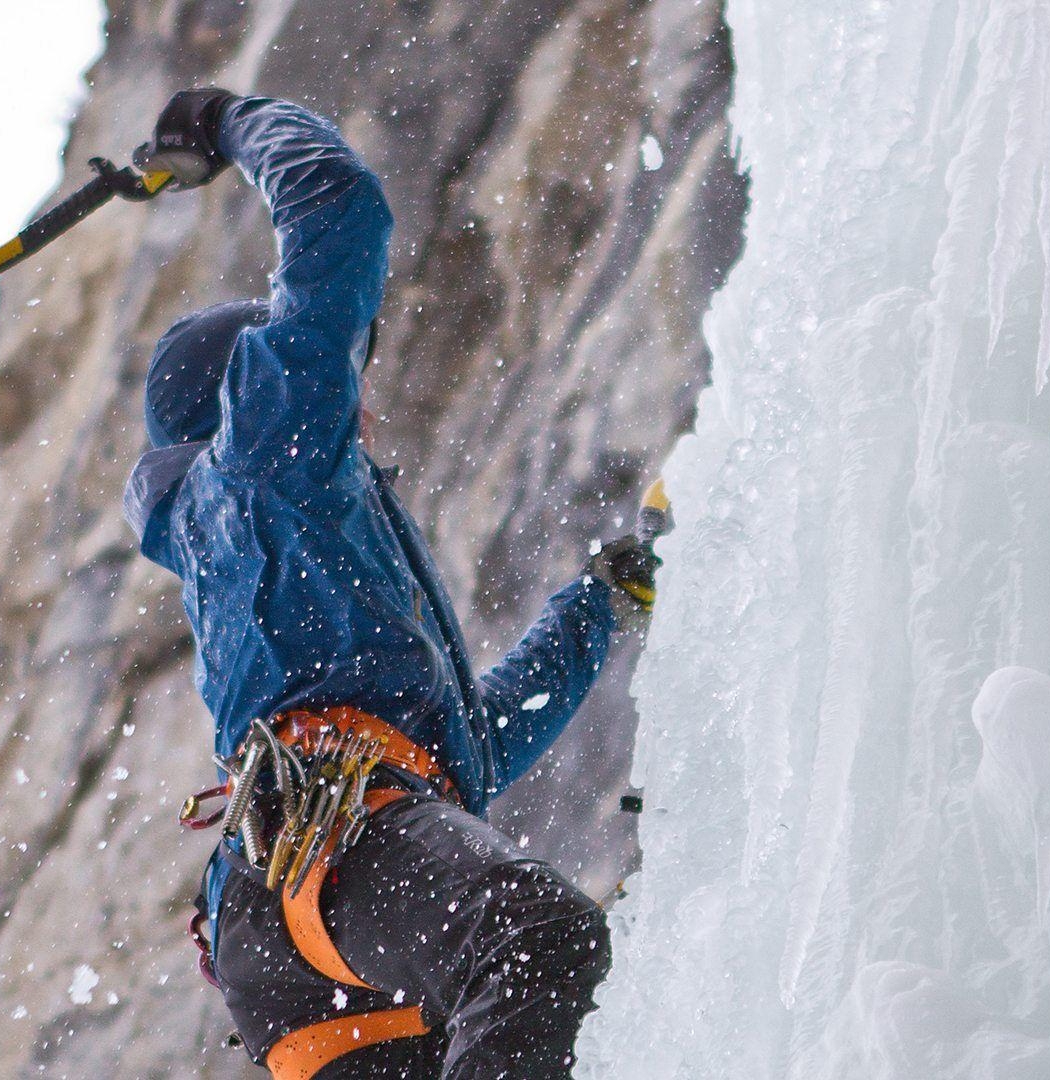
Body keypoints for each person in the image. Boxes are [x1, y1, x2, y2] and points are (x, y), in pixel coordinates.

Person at [120, 89, 662, 1079]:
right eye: (344, 376)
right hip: (335, 845)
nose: (357, 404)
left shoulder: (262, 546)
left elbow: (472, 750)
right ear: (250, 383)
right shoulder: (264, 456)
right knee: (538, 937)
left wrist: (599, 608)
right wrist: (229, 118)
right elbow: (340, 208)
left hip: (299, 910)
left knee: (543, 964)